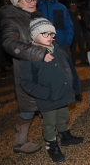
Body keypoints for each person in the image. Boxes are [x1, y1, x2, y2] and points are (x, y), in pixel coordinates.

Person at [20, 13, 84, 163]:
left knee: (63, 117)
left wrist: (74, 87)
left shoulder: (59, 50)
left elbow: (70, 70)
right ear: (34, 35)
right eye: (44, 33)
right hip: (47, 99)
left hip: (63, 94)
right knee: (49, 123)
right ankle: (51, 144)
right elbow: (26, 82)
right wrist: (46, 93)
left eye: (51, 33)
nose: (49, 36)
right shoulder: (30, 56)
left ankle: (65, 135)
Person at [0, 0, 48, 154]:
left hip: (42, 70)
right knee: (28, 109)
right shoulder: (11, 19)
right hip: (27, 72)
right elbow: (9, 43)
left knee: (46, 104)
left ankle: (50, 136)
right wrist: (38, 52)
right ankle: (19, 143)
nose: (32, 1)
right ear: (15, 1)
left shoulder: (35, 16)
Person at [36, 0, 82, 102]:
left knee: (69, 69)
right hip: (42, 46)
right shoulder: (36, 8)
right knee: (46, 72)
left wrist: (67, 42)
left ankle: (76, 91)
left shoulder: (60, 7)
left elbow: (69, 26)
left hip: (61, 45)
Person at [68, 0, 87, 66]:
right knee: (72, 49)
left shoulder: (80, 12)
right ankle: (73, 62)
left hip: (80, 33)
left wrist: (81, 19)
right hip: (71, 33)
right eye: (71, 4)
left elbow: (85, 22)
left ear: (76, 5)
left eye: (74, 4)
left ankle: (83, 61)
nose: (73, 6)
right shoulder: (67, 13)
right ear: (69, 5)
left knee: (82, 48)